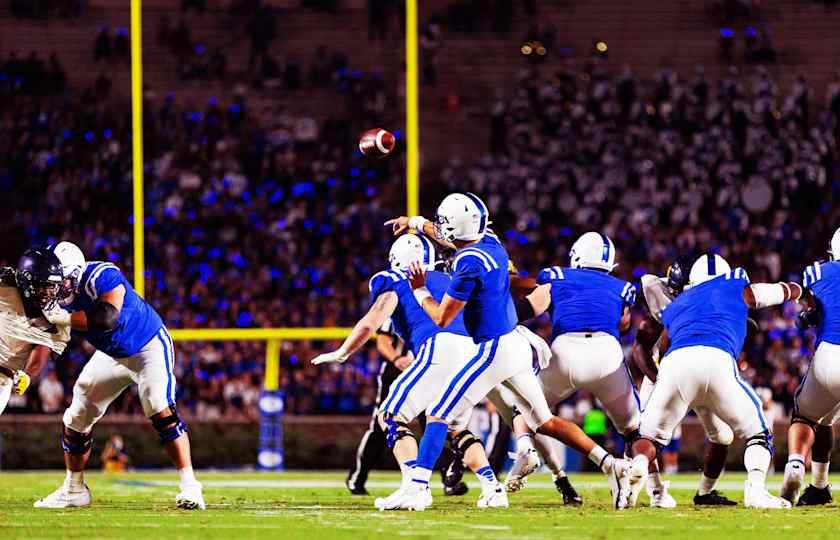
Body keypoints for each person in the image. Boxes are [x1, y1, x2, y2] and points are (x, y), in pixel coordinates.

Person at [378, 193, 631, 511]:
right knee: (545, 421)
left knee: (440, 413)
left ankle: (416, 488)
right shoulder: (493, 246)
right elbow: (447, 234)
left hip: (492, 347)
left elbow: (441, 317)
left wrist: (419, 289)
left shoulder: (466, 264)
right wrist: (416, 222)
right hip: (516, 344)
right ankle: (611, 464)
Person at [313, 233, 496, 509]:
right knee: (454, 430)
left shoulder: (394, 279)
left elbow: (371, 320)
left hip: (440, 349)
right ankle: (492, 487)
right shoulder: (447, 279)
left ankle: (414, 486)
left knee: (390, 415)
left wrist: (343, 352)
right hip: (473, 353)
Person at [33, 241, 204, 510]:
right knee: (77, 414)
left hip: (148, 346)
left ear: (75, 274)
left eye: (60, 280)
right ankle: (74, 489)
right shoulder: (56, 302)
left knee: (158, 404)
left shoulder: (102, 275)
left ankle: (191, 486)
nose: (54, 287)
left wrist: (61, 319)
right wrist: (24, 373)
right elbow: (47, 345)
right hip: (112, 355)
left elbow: (107, 318)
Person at [628, 253, 802, 509]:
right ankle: (755, 491)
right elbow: (771, 292)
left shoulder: (679, 303)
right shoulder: (733, 285)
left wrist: (665, 379)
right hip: (716, 360)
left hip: (675, 364)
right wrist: (796, 290)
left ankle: (646, 470)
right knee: (759, 433)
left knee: (652, 437)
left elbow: (663, 344)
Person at [631, 258, 737, 506]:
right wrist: (658, 378)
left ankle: (705, 493)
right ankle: (654, 491)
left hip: (702, 370)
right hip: (666, 373)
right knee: (644, 433)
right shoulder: (665, 305)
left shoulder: (717, 304)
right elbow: (639, 349)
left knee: (723, 436)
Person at [780, 228, 840, 506]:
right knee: (825, 419)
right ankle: (818, 486)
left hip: (829, 356)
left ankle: (796, 464)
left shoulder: (817, 273)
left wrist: (809, 316)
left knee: (807, 417)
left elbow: (808, 309)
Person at [0, 250, 70, 417]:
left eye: (52, 287)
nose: (48, 293)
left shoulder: (56, 320)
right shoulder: (5, 285)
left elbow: (40, 356)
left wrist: (27, 376)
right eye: (42, 285)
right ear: (25, 281)